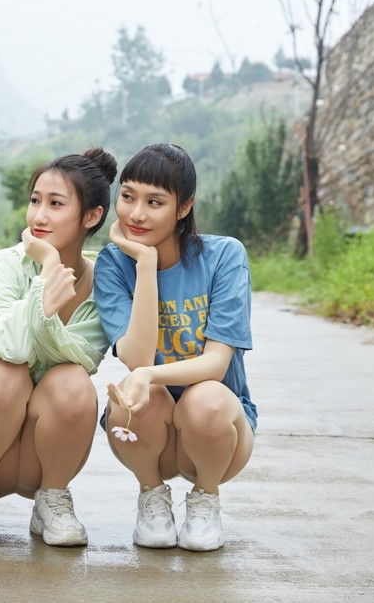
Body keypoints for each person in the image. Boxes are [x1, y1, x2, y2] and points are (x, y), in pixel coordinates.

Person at [0, 148, 117, 548]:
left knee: (72, 380)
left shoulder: (104, 282)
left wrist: (52, 278)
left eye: (56, 204)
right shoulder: (4, 264)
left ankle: (53, 500)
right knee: (5, 368)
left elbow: (80, 357)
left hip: (45, 458)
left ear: (91, 216)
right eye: (35, 201)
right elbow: (4, 344)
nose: (39, 215)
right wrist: (46, 278)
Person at [93, 143, 256, 552]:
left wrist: (148, 374)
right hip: (150, 436)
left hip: (220, 435)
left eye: (155, 202)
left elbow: (216, 364)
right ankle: (152, 497)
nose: (136, 213)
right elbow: (136, 358)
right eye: (127, 196)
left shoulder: (224, 257)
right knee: (138, 397)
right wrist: (145, 264)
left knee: (207, 398)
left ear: (183, 208)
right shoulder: (114, 264)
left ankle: (205, 499)